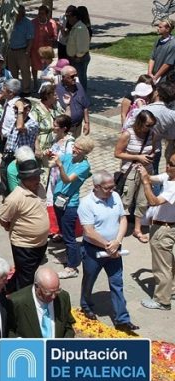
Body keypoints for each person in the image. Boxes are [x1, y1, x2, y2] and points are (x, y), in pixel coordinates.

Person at [78, 171, 139, 333]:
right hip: (93, 250)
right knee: (89, 279)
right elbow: (89, 231)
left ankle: (122, 320)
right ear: (96, 187)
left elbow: (123, 219)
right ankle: (86, 304)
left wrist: (117, 242)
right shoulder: (86, 203)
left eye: (113, 186)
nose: (112, 190)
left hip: (114, 247)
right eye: (108, 188)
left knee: (117, 283)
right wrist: (107, 245)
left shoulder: (115, 197)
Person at [5, 267, 75, 381]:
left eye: (57, 291)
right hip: (27, 363)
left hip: (51, 358)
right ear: (37, 287)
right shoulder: (16, 302)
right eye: (49, 293)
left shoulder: (63, 297)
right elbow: (7, 331)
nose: (54, 297)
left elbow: (68, 325)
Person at [0, 153, 49, 293]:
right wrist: (15, 229)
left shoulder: (40, 188)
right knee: (26, 279)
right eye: (33, 178)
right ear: (24, 179)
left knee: (25, 274)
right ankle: (21, 303)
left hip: (41, 243)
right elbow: (3, 219)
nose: (37, 180)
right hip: (24, 246)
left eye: (38, 176)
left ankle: (6, 290)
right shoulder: (15, 197)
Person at [51, 136, 95, 279]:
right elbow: (50, 163)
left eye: (78, 148)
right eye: (75, 146)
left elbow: (67, 179)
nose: (74, 149)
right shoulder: (69, 156)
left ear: (85, 152)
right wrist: (49, 157)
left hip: (70, 204)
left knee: (70, 237)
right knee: (64, 232)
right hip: (58, 200)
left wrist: (60, 166)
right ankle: (68, 256)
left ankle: (72, 267)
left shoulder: (84, 166)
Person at [115, 110, 158, 243]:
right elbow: (117, 153)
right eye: (147, 125)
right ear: (140, 123)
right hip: (130, 172)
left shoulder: (152, 134)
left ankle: (137, 229)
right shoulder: (128, 134)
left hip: (146, 171)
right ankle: (117, 227)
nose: (149, 128)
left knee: (142, 200)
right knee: (125, 200)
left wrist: (151, 156)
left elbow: (154, 150)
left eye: (152, 125)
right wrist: (137, 157)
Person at [138, 159, 175, 310]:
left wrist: (146, 183)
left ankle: (162, 301)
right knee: (169, 263)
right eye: (169, 162)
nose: (167, 166)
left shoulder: (173, 188)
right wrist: (144, 173)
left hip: (163, 229)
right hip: (163, 226)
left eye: (172, 164)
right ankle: (170, 290)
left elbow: (153, 201)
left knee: (161, 267)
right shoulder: (169, 176)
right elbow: (156, 177)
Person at [7, 5, 34, 95]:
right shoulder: (10, 21)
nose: (15, 15)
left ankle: (26, 90)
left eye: (17, 13)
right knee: (12, 72)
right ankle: (14, 89)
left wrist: (27, 51)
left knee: (25, 72)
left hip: (22, 50)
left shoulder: (27, 23)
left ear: (22, 14)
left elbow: (30, 39)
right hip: (11, 50)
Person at [56, 65, 90, 136]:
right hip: (65, 129)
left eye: (76, 75)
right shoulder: (57, 90)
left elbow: (85, 106)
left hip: (78, 126)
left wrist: (87, 123)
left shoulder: (79, 86)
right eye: (72, 76)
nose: (75, 78)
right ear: (64, 77)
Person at [31, 5, 58, 89]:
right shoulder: (33, 22)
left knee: (47, 68)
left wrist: (50, 38)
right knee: (34, 66)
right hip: (35, 50)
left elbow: (55, 37)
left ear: (47, 14)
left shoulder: (52, 23)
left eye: (42, 13)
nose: (40, 15)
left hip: (46, 51)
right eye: (39, 13)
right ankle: (35, 82)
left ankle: (46, 84)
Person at [66, 6, 91, 90]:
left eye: (69, 17)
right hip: (75, 58)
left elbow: (82, 47)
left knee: (80, 80)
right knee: (76, 80)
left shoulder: (80, 28)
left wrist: (77, 57)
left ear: (75, 17)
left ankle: (82, 99)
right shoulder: (75, 27)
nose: (67, 19)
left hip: (79, 59)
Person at [149, 19, 175, 83]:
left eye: (160, 27)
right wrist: (149, 73)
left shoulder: (173, 44)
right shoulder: (158, 40)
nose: (158, 28)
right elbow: (152, 57)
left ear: (167, 29)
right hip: (154, 75)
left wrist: (156, 77)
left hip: (165, 78)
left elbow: (168, 63)